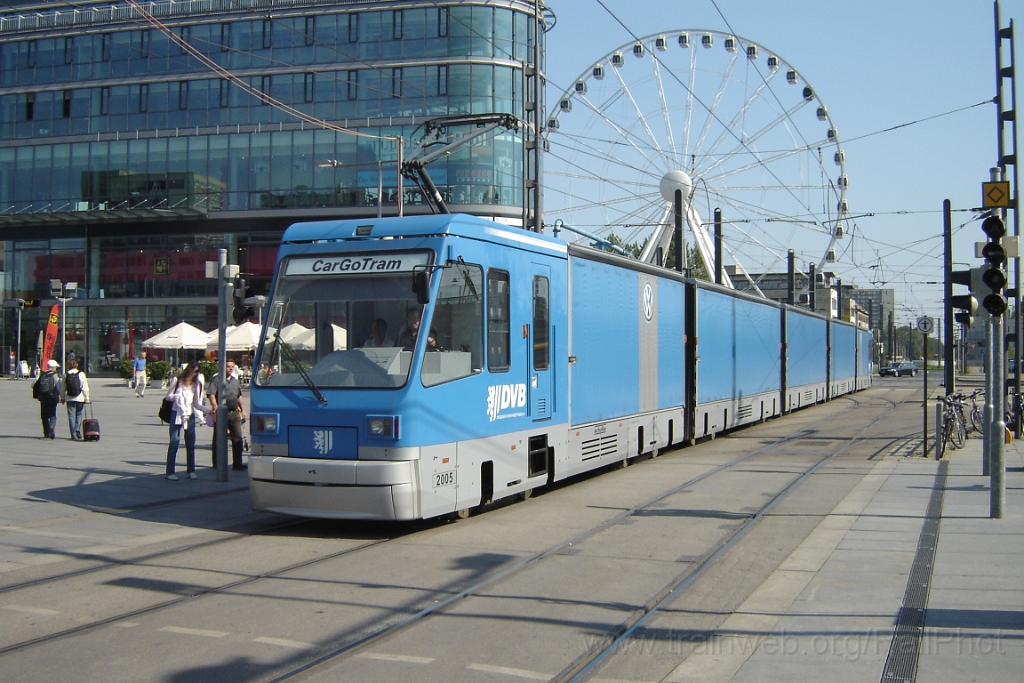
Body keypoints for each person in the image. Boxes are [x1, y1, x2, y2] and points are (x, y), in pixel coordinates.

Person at [164, 362, 209, 481]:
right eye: (193, 370)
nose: (194, 373)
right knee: (174, 442)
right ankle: (170, 472)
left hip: (189, 414)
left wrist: (208, 411)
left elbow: (197, 404)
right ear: (188, 369)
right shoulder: (177, 380)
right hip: (176, 413)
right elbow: (168, 396)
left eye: (197, 371)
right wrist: (180, 397)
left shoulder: (196, 384)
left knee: (190, 444)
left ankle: (191, 470)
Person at [207, 360, 247, 471]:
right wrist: (216, 407)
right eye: (228, 366)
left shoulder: (234, 380)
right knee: (219, 438)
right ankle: (217, 463)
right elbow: (211, 394)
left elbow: (239, 396)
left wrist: (243, 409)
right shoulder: (217, 379)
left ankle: (237, 463)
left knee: (238, 437)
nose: (230, 368)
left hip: (234, 412)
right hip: (221, 413)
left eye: (232, 367)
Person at [61, 358, 90, 440]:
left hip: (69, 398)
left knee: (71, 416)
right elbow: (85, 387)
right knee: (79, 414)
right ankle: (77, 430)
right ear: (76, 365)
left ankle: (73, 434)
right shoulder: (81, 374)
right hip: (80, 398)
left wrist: (62, 397)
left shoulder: (66, 374)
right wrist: (87, 397)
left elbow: (63, 388)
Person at [32, 359, 62, 439]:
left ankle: (46, 432)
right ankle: (52, 427)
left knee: (44, 415)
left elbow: (33, 385)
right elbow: (59, 387)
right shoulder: (55, 375)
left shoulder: (42, 374)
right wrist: (61, 397)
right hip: (52, 397)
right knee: (52, 414)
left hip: (43, 397)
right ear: (53, 367)